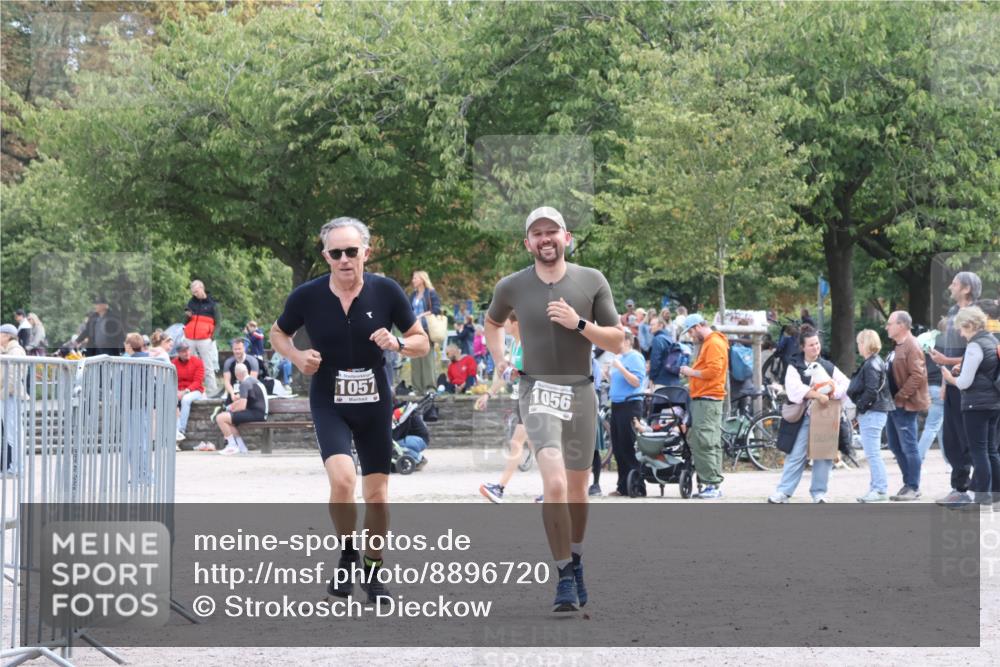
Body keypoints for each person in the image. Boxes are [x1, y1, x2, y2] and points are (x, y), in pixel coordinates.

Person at [270, 216, 429, 603]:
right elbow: (278, 333)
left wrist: (398, 344)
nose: (344, 259)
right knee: (342, 481)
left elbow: (422, 341)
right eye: (336, 253)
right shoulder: (307, 296)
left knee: (377, 496)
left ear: (365, 253)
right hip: (330, 401)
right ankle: (347, 553)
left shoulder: (386, 291)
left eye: (351, 251)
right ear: (326, 256)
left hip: (374, 403)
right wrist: (297, 356)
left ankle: (373, 572)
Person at [484, 205, 623, 613]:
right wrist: (500, 360)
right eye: (537, 233)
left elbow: (617, 341)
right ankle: (563, 574)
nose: (545, 239)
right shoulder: (511, 285)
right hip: (537, 390)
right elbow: (492, 323)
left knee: (578, 492)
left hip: (580, 391)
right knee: (555, 485)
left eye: (552, 231)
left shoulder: (591, 280)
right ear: (527, 243)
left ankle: (575, 560)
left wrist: (578, 323)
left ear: (567, 238)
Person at [768, 326, 849, 504]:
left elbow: (845, 384)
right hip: (802, 417)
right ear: (803, 347)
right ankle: (783, 492)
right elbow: (794, 389)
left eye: (817, 343)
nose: (815, 347)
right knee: (796, 454)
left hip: (824, 417)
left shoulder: (827, 366)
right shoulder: (794, 366)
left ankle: (819, 493)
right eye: (811, 345)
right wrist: (817, 394)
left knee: (824, 454)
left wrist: (831, 392)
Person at [940, 306, 1000, 510]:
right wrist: (963, 367)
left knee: (979, 452)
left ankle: (982, 500)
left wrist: (950, 378)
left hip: (976, 405)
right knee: (992, 451)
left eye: (961, 328)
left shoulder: (975, 345)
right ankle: (996, 497)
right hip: (994, 403)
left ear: (969, 325)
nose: (960, 333)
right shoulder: (992, 341)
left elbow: (964, 383)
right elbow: (985, 370)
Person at [930, 271, 981, 505]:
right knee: (951, 440)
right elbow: (949, 353)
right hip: (951, 385)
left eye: (954, 283)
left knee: (970, 439)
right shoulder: (952, 313)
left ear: (966, 289)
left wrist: (946, 361)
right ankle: (959, 487)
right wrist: (944, 382)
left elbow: (982, 353)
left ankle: (974, 489)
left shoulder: (978, 315)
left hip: (970, 386)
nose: (950, 287)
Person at [478, 313, 532, 503]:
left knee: (518, 442)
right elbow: (507, 376)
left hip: (531, 398)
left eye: (505, 322)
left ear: (515, 323)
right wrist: (488, 393)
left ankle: (500, 488)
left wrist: (519, 374)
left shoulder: (527, 344)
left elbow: (534, 371)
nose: (503, 325)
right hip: (522, 398)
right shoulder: (514, 345)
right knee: (535, 445)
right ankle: (554, 489)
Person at [678, 314, 729, 499]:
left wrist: (691, 372)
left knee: (703, 441)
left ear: (698, 326)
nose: (691, 336)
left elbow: (714, 371)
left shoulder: (713, 343)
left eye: (691, 331)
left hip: (707, 400)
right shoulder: (712, 342)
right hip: (708, 399)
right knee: (709, 441)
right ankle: (712, 484)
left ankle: (712, 485)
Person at [884, 311, 930, 501]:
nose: (887, 327)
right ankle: (908, 483)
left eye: (890, 323)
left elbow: (917, 375)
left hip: (905, 405)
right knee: (895, 446)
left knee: (909, 447)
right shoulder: (898, 345)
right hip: (893, 404)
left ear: (901, 325)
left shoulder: (912, 345)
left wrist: (901, 396)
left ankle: (913, 486)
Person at [847, 330, 894, 502]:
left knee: (873, 454)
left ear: (865, 344)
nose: (858, 346)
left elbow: (871, 391)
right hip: (874, 411)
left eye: (859, 342)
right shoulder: (875, 361)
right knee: (872, 453)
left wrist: (860, 407)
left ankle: (880, 489)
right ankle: (875, 488)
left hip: (872, 412)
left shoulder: (871, 364)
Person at [607, 330, 646, 497]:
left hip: (630, 404)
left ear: (628, 341)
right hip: (617, 404)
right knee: (618, 447)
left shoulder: (635, 357)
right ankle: (622, 486)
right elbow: (619, 382)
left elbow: (636, 381)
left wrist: (621, 368)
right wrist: (608, 374)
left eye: (619, 340)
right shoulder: (620, 358)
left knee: (628, 445)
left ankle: (637, 485)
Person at [214, 363, 267, 456]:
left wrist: (229, 411)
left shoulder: (244, 384)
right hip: (261, 413)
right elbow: (243, 400)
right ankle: (242, 447)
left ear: (237, 375)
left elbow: (242, 406)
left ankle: (232, 446)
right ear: (246, 371)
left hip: (255, 414)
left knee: (220, 418)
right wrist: (230, 408)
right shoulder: (254, 381)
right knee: (228, 421)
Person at [917, 318, 947, 462]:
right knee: (932, 426)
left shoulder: (929, 341)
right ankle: (918, 458)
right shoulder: (949, 344)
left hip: (928, 385)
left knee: (941, 427)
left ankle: (948, 462)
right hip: (940, 387)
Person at [184, 280, 221, 396]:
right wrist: (187, 316)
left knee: (208, 366)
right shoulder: (191, 302)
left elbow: (218, 322)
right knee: (188, 364)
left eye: (196, 291)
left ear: (202, 288)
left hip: (205, 338)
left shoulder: (213, 303)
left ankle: (212, 392)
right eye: (193, 292)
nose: (195, 294)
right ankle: (190, 389)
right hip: (190, 337)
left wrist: (212, 337)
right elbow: (185, 321)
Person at [409, 270, 442, 392]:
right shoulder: (413, 295)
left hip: (427, 329)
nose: (413, 280)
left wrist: (421, 315)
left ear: (422, 279)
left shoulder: (430, 293)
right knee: (415, 358)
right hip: (414, 330)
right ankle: (417, 388)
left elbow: (437, 309)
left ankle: (430, 387)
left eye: (415, 278)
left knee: (427, 359)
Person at [1, 323, 27, 475]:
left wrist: (3, 394)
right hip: (8, 395)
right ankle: (15, 468)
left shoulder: (15, 350)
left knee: (14, 433)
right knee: (12, 433)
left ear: (7, 336)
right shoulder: (7, 350)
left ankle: (17, 468)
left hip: (10, 396)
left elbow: (13, 376)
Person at [172, 341, 205, 443]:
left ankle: (181, 430)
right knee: (171, 399)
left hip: (195, 390)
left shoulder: (197, 362)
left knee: (186, 400)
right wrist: (176, 391)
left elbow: (198, 382)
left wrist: (185, 391)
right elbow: (171, 380)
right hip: (178, 390)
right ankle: (176, 430)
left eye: (188, 350)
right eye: (183, 351)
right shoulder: (173, 363)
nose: (187, 353)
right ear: (178, 353)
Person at [392, 399, 430, 468]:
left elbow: (397, 433)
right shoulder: (401, 409)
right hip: (414, 438)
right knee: (393, 443)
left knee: (394, 444)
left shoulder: (402, 413)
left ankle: (419, 459)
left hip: (420, 439)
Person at [222, 338, 260, 406]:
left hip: (249, 391)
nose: (237, 351)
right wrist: (232, 393)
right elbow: (227, 381)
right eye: (235, 349)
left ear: (244, 349)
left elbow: (252, 381)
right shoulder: (228, 362)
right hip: (234, 391)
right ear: (232, 349)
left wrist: (241, 394)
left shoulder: (252, 361)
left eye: (239, 349)